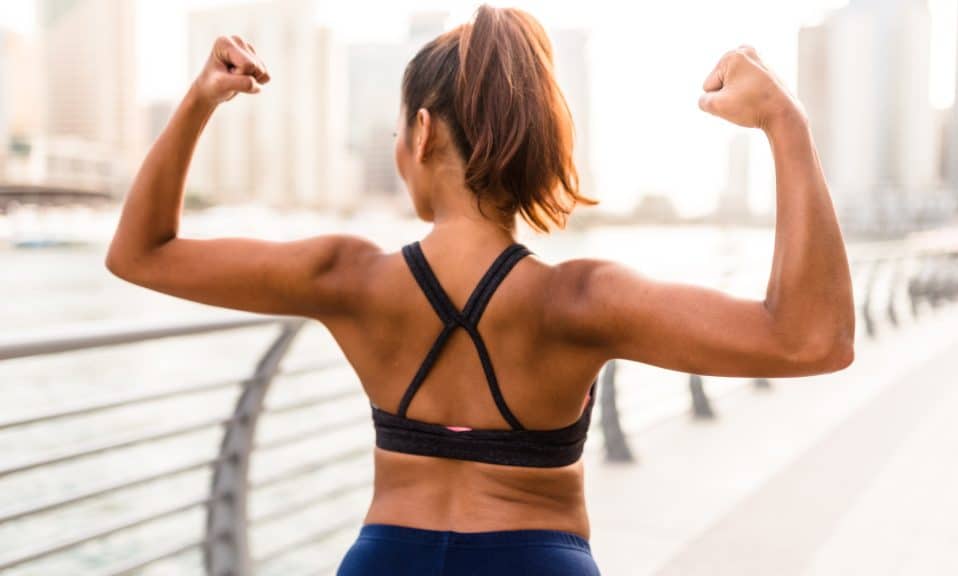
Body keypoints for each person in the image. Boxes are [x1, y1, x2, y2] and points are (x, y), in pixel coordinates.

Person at [105, 4, 855, 575]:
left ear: (422, 134)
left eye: (398, 133)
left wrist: (203, 98)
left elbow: (141, 253)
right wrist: (785, 125)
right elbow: (812, 338)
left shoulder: (350, 278)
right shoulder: (580, 300)